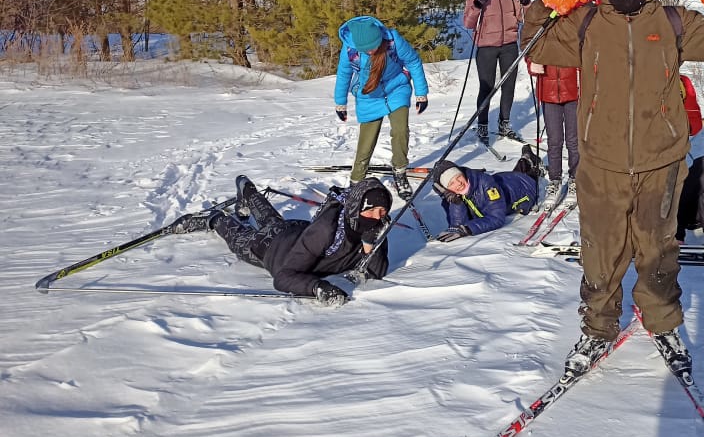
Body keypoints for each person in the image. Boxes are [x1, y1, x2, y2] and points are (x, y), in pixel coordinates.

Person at [523, 0, 704, 377]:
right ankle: (597, 328)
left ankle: (662, 323)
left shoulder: (673, 22)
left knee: (657, 249)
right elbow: (536, 45)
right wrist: (545, 5)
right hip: (601, 163)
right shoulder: (586, 24)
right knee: (601, 253)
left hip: (660, 162)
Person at [181, 176, 392, 305]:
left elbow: (376, 271)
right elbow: (283, 278)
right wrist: (317, 287)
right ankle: (215, 219)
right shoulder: (326, 231)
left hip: (296, 231)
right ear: (356, 208)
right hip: (271, 248)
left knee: (272, 221)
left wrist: (372, 244)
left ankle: (248, 191)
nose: (376, 217)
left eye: (382, 211)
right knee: (238, 238)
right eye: (370, 210)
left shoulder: (372, 227)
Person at [334, 16, 429, 198]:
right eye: (366, 50)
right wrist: (340, 103)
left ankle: (400, 171)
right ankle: (356, 181)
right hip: (368, 96)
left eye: (373, 47)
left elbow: (413, 62)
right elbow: (344, 74)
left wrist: (421, 93)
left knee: (401, 131)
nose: (370, 52)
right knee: (366, 142)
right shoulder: (350, 50)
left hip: (396, 89)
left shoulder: (393, 40)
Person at [462, 0, 531, 144]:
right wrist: (477, 5)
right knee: (487, 87)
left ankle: (504, 124)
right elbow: (468, 23)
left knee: (508, 87)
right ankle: (483, 126)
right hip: (486, 47)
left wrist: (525, 2)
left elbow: (524, 17)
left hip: (509, 45)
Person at [527, 0, 581, 207]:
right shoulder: (539, 15)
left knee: (574, 139)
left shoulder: (575, 15)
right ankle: (555, 179)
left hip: (573, 86)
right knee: (554, 139)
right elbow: (527, 43)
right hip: (548, 86)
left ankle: (577, 178)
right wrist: (531, 62)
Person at [431, 146, 542, 241]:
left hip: (525, 188)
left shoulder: (486, 185)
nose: (458, 183)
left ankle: (528, 160)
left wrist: (468, 229)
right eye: (451, 184)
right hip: (504, 180)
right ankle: (525, 160)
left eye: (458, 177)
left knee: (528, 175)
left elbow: (496, 218)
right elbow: (458, 225)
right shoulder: (455, 195)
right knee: (514, 175)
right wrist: (456, 203)